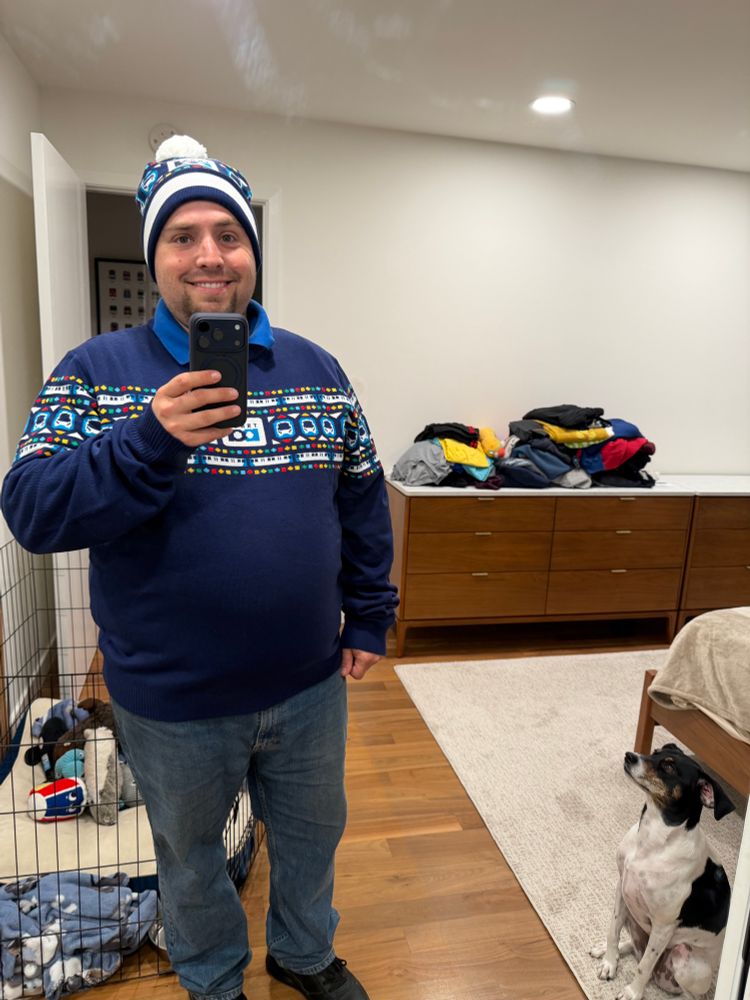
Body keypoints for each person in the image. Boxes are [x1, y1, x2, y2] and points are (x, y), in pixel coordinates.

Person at [1, 135, 398, 1000]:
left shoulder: (317, 371)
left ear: (253, 251)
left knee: (311, 837)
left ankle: (302, 954)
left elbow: (363, 497)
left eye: (230, 232)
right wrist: (148, 437)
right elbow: (31, 508)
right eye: (183, 236)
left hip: (308, 683)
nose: (210, 254)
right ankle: (214, 980)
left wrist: (369, 614)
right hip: (172, 699)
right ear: (155, 258)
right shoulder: (95, 372)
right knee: (188, 857)